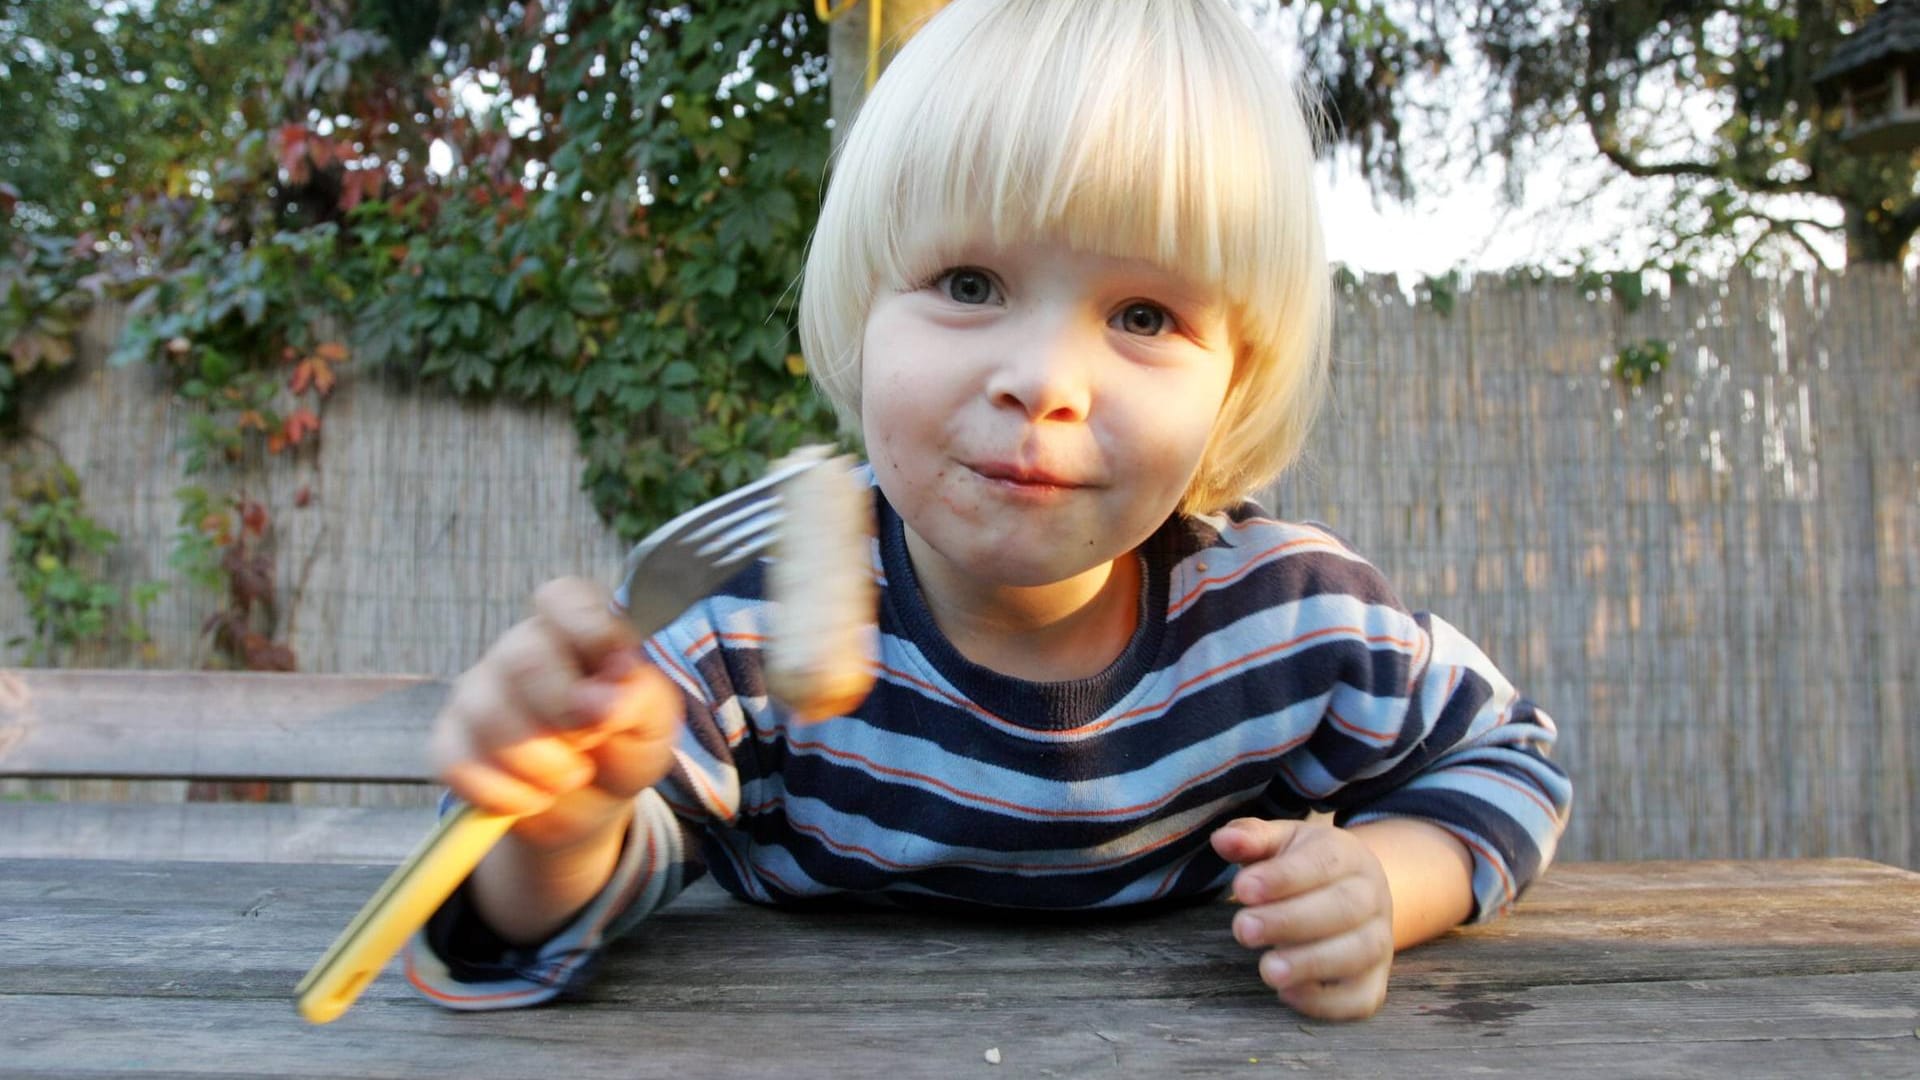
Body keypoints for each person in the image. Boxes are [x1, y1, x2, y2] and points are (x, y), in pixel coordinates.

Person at [407, 0, 1572, 1021]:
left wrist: (1383, 884)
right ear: (863, 312)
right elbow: (575, 902)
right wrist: (556, 828)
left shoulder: (1287, 623)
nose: (1045, 380)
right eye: (970, 285)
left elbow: (1509, 762)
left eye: (1146, 316)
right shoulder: (738, 623)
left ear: (1239, 381)